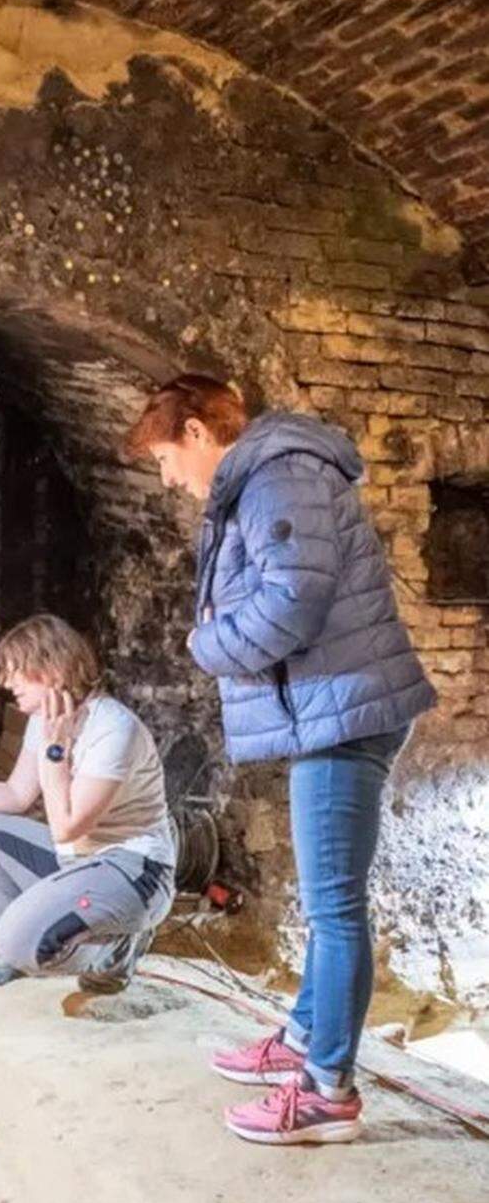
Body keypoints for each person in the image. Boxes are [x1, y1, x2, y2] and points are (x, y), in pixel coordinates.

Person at [124, 374, 436, 1146]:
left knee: (334, 910)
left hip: (343, 711)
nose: (169, 477)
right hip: (335, 706)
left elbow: (293, 598)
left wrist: (210, 647)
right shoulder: (266, 474)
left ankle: (328, 1091)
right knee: (327, 902)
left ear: (198, 433)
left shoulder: (277, 474)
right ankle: (302, 1039)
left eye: (167, 456)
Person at [0, 614, 176, 991]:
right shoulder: (46, 721)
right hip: (77, 860)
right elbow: (17, 795)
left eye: (16, 670)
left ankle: (113, 951)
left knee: (20, 940)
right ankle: (13, 950)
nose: (7, 682)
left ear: (51, 669)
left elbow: (66, 825)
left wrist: (55, 753)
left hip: (134, 872)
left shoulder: (114, 728)